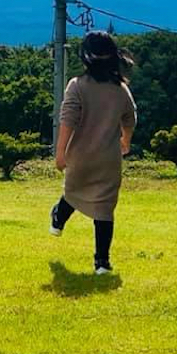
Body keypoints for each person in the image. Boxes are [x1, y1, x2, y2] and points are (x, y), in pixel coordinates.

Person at [50, 31, 137, 275]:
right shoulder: (120, 89)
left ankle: (58, 220)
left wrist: (60, 153)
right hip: (108, 158)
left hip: (79, 156)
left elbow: (67, 121)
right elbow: (130, 119)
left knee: (73, 192)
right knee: (104, 208)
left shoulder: (77, 86)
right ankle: (102, 262)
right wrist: (125, 141)